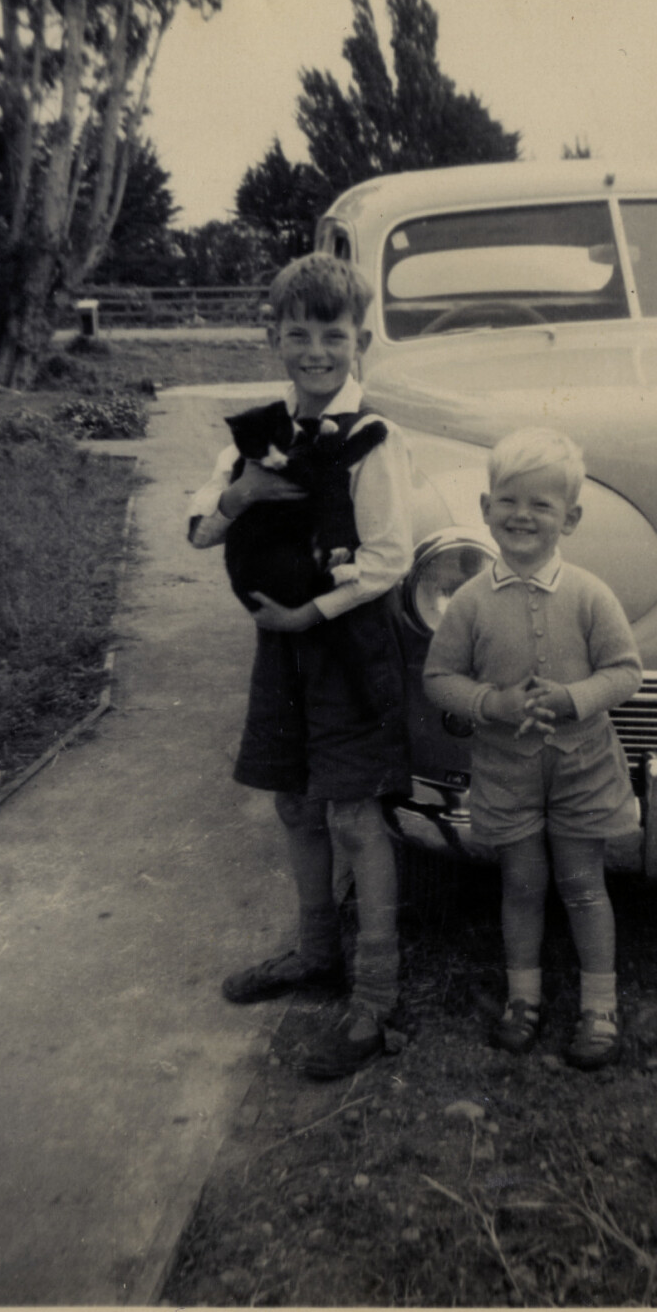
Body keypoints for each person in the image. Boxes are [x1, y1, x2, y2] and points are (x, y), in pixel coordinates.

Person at [188, 253, 412, 1080]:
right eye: (299, 333)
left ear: (360, 341)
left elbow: (388, 559)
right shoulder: (258, 434)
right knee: (293, 799)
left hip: (345, 645)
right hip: (281, 649)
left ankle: (377, 997)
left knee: (353, 812)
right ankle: (317, 952)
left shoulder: (373, 438)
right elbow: (200, 529)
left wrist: (307, 613)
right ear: (274, 337)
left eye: (334, 335)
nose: (317, 350)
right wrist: (241, 494)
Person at [423, 428, 642, 1070]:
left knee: (583, 884)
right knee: (520, 885)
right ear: (485, 507)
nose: (522, 515)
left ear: (569, 519)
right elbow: (439, 679)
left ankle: (599, 1007)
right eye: (509, 501)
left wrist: (574, 697)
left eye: (541, 504)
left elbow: (626, 672)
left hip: (583, 769)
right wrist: (492, 704)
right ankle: (523, 999)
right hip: (506, 771)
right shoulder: (469, 602)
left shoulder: (590, 593)